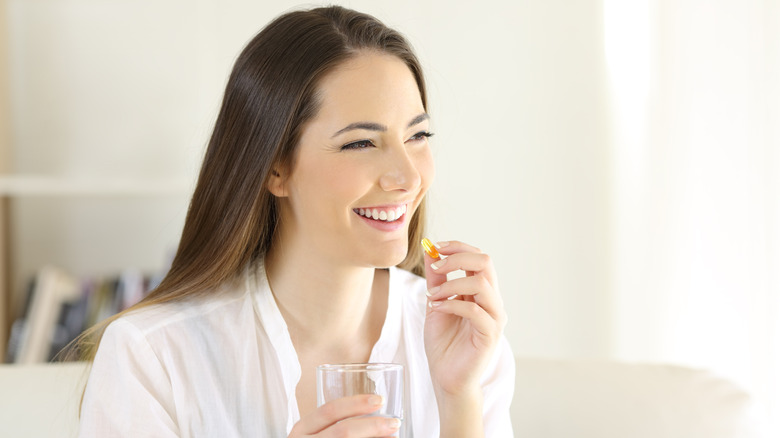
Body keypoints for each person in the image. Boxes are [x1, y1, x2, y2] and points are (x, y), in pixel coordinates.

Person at [76, 5, 514, 437]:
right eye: (361, 143)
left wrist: (458, 399)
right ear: (275, 168)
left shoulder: (463, 339)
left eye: (417, 136)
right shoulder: (153, 354)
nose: (408, 177)